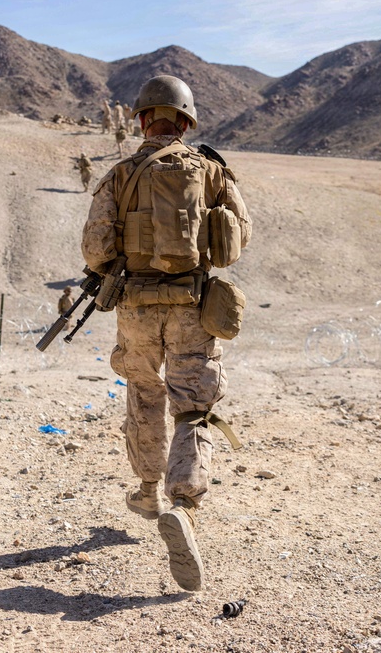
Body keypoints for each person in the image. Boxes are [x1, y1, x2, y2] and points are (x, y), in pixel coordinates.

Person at [81, 75, 251, 591]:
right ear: (185, 120)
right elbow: (237, 239)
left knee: (144, 391)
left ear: (140, 120)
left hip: (135, 307)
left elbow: (94, 249)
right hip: (191, 307)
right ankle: (184, 502)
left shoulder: (119, 174)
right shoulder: (213, 171)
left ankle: (149, 488)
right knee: (193, 403)